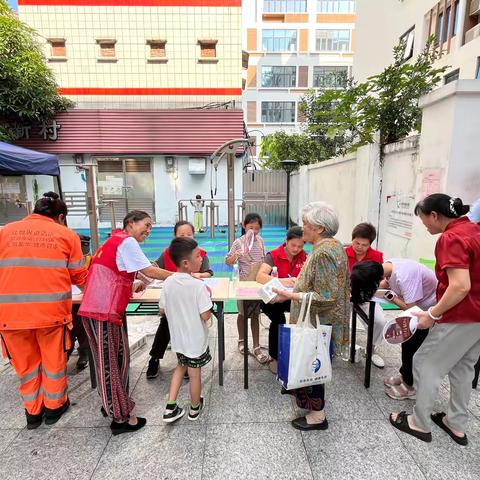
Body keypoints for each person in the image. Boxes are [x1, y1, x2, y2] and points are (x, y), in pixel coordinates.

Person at [390, 194, 480, 446]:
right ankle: (456, 423)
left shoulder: (450, 238)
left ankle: (419, 423)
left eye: (424, 220)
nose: (424, 226)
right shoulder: (474, 230)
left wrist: (431, 314)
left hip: (459, 315)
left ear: (434, 216)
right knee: (463, 368)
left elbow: (460, 286)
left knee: (424, 362)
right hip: (477, 319)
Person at [79, 210, 171, 435]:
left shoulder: (113, 241)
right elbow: (149, 271)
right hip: (103, 310)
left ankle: (111, 405)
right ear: (130, 223)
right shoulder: (127, 241)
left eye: (151, 227)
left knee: (113, 360)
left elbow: (110, 274)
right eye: (146, 225)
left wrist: (131, 284)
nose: (148, 231)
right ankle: (120, 418)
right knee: (111, 364)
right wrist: (181, 276)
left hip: (99, 308)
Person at [0, 192, 88, 429]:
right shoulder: (66, 235)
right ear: (60, 217)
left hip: (10, 317)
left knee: (27, 368)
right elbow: (79, 275)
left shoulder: (5, 231)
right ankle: (54, 407)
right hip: (51, 314)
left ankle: (32, 413)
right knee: (52, 364)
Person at [273, 202, 350, 431]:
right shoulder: (330, 246)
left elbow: (326, 296)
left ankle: (318, 415)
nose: (302, 227)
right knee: (308, 361)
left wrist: (290, 295)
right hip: (318, 320)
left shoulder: (325, 252)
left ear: (318, 228)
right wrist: (293, 287)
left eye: (306, 223)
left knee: (314, 364)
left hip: (320, 323)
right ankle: (303, 396)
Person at [146, 220, 213, 379]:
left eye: (189, 234)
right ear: (174, 237)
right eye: (182, 235)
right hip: (175, 301)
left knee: (183, 323)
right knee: (167, 323)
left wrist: (198, 275)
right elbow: (154, 268)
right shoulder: (168, 253)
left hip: (191, 300)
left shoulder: (200, 253)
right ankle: (156, 358)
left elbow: (209, 272)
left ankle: (187, 362)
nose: (186, 237)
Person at [161, 237, 212, 423]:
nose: (201, 259)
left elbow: (163, 310)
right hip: (195, 341)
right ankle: (194, 408)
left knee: (180, 367)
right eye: (198, 256)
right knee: (194, 374)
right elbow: (206, 315)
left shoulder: (167, 283)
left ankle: (170, 406)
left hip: (178, 340)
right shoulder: (198, 286)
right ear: (186, 263)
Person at [379, 259, 437, 400]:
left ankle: (410, 387)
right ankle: (405, 376)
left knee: (413, 348)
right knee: (407, 344)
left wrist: (391, 297)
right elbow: (387, 284)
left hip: (425, 312)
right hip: (421, 310)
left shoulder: (404, 276)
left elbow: (411, 308)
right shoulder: (389, 266)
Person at [256, 226, 307, 373]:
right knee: (278, 320)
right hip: (273, 298)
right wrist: (286, 281)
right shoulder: (273, 255)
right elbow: (260, 276)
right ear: (286, 241)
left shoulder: (305, 256)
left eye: (300, 246)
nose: (296, 249)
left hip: (292, 298)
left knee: (304, 316)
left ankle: (298, 354)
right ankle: (274, 357)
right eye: (293, 245)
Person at [225, 213, 268, 364]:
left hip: (257, 283)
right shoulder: (238, 242)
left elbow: (264, 260)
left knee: (256, 314)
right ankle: (241, 340)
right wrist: (236, 256)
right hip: (244, 282)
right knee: (242, 313)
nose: (254, 231)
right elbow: (228, 261)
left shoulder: (261, 241)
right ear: (244, 226)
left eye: (257, 228)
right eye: (251, 227)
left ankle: (256, 346)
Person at [350, 261, 388, 369]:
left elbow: (379, 288)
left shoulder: (376, 258)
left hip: (367, 295)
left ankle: (371, 349)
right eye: (357, 242)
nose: (360, 247)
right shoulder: (346, 254)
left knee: (380, 321)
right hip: (349, 291)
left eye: (364, 244)